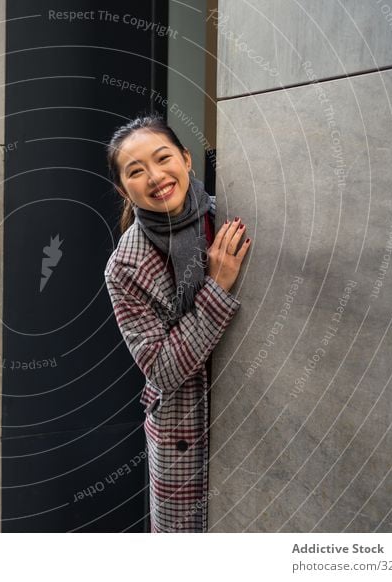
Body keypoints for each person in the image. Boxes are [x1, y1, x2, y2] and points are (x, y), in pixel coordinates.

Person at [103, 114, 250, 532]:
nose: (154, 176)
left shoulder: (226, 216)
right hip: (182, 431)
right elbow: (163, 370)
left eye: (162, 157)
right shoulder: (125, 268)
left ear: (186, 159)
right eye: (136, 171)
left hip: (246, 415)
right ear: (123, 189)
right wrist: (217, 287)